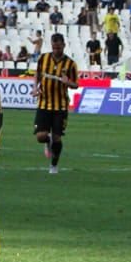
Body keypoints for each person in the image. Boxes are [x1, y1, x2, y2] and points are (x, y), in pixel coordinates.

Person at [32, 32, 78, 175]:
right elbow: (37, 74)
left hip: (61, 106)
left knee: (57, 137)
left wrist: (68, 82)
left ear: (64, 45)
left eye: (58, 48)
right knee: (40, 136)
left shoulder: (70, 64)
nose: (56, 50)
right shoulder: (43, 58)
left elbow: (76, 84)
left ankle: (53, 165)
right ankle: (48, 140)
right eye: (54, 48)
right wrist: (35, 87)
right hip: (44, 103)